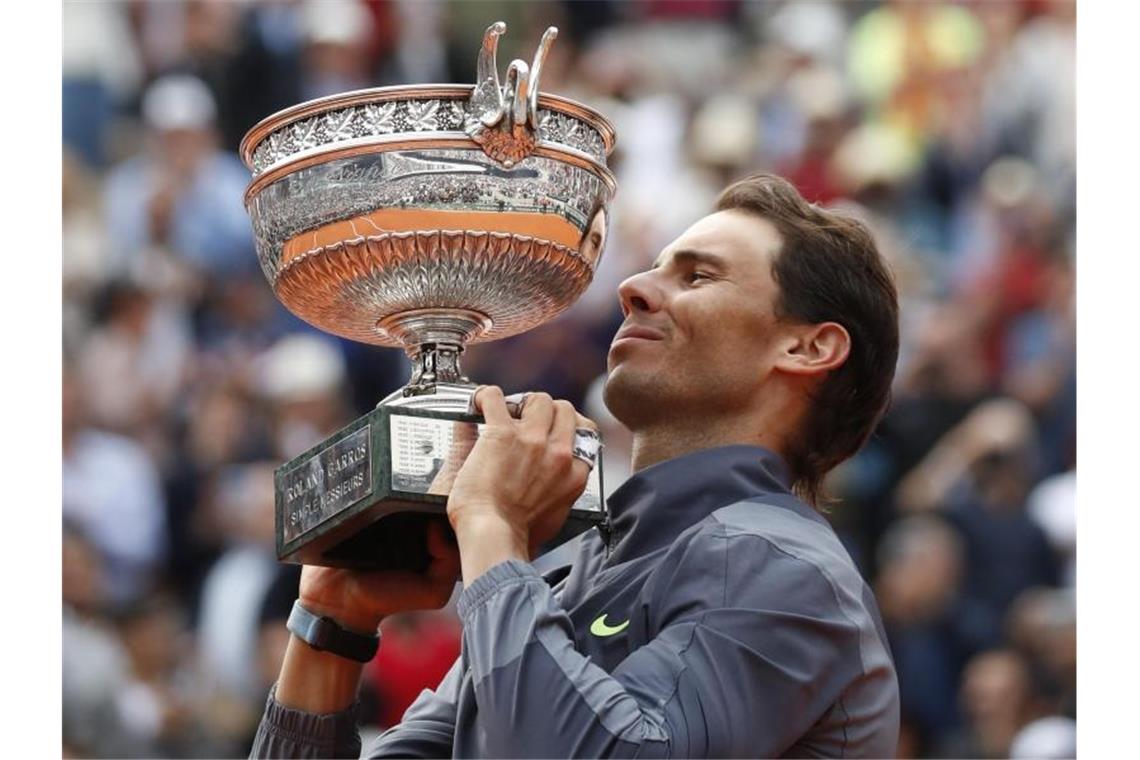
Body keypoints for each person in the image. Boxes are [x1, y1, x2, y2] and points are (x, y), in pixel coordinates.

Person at [250, 173, 902, 757]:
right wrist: (330, 626)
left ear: (807, 347)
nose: (633, 288)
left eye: (697, 276)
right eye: (655, 268)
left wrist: (493, 526)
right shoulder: (563, 576)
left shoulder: (782, 568)